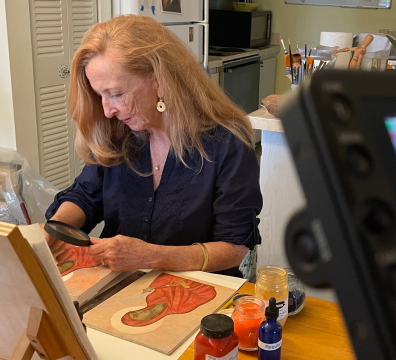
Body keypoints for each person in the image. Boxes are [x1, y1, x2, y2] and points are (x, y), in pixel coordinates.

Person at [44, 15, 262, 276]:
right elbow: (84, 196)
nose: (107, 110)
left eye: (116, 94)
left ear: (160, 81)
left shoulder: (227, 143)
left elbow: (235, 248)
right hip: (120, 281)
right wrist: (53, 229)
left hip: (197, 288)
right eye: (99, 95)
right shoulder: (118, 132)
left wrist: (152, 256)